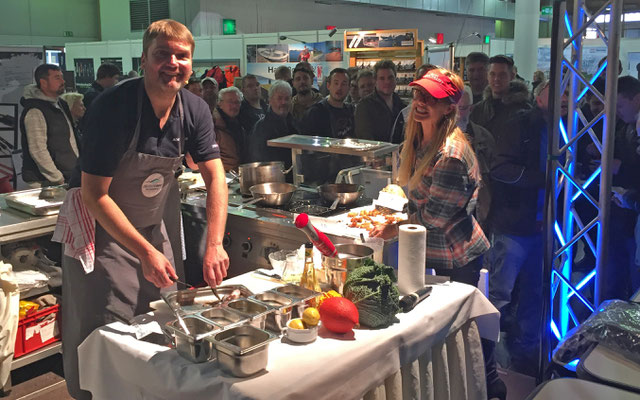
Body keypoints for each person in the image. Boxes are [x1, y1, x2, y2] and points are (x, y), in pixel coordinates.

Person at [58, 19, 229, 400]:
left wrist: (215, 243)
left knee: (163, 317)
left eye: (181, 56)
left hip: (151, 225)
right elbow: (94, 194)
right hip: (100, 230)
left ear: (191, 61)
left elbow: (216, 177)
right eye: (162, 55)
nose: (172, 63)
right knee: (107, 328)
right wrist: (146, 252)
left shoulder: (194, 109)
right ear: (143, 60)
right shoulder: (114, 107)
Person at [370, 68, 504, 400]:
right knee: (441, 336)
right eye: (418, 95)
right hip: (430, 253)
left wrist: (392, 225)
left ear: (450, 107)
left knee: (464, 331)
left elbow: (433, 217)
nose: (421, 102)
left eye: (431, 98)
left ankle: (491, 389)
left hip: (456, 258)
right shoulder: (417, 142)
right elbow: (413, 200)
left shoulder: (452, 154)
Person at [487, 81, 567, 376]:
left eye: (570, 94)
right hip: (514, 226)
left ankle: (528, 351)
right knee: (500, 294)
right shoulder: (520, 124)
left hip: (545, 227)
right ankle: (489, 354)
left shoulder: (569, 127)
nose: (566, 98)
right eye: (560, 92)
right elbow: (500, 169)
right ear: (540, 96)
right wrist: (542, 179)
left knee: (537, 291)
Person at [19, 64, 79, 187]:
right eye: (57, 78)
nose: (63, 81)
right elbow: (37, 149)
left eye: (62, 77)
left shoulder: (61, 104)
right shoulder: (34, 110)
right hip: (45, 182)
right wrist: (56, 177)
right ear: (43, 82)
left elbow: (70, 139)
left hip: (68, 176)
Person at [457, 85, 495, 231]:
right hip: (450, 209)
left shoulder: (483, 137)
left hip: (478, 209)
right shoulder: (440, 138)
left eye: (463, 108)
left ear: (471, 109)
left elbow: (492, 174)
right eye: (455, 108)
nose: (458, 114)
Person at [469, 55, 531, 145]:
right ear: (487, 76)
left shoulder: (523, 110)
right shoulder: (479, 110)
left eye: (502, 75)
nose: (496, 79)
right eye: (492, 74)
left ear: (512, 76)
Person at [248, 80, 298, 167]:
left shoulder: (295, 124)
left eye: (287, 98)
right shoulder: (260, 128)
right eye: (279, 98)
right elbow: (257, 160)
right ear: (270, 100)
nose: (283, 102)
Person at [354, 60, 406, 143]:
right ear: (375, 81)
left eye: (390, 77)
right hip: (377, 155)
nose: (387, 82)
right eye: (382, 78)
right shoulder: (365, 106)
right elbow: (366, 139)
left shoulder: (402, 105)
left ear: (395, 79)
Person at [300, 68, 354, 138]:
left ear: (349, 87)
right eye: (336, 83)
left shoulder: (351, 110)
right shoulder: (316, 112)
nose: (339, 88)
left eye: (343, 84)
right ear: (328, 85)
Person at [214, 86, 244, 171]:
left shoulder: (240, 123)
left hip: (237, 175)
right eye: (230, 102)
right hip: (223, 175)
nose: (234, 105)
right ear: (219, 103)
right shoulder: (213, 125)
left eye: (237, 102)